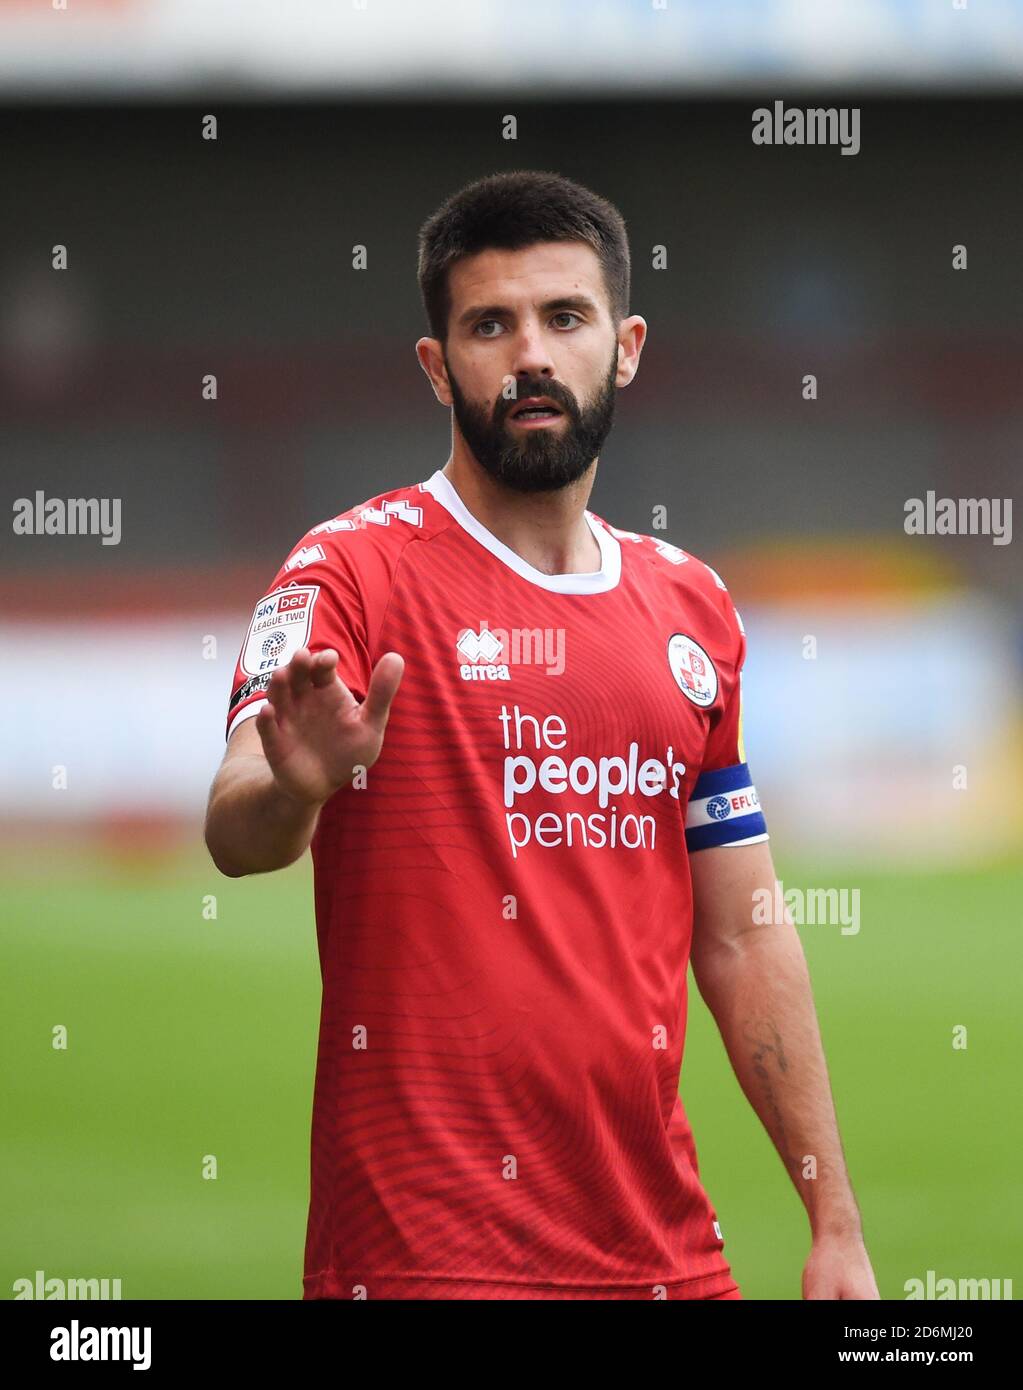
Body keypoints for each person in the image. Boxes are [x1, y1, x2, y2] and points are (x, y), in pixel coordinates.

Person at [204, 169, 879, 1301]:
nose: (530, 354)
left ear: (626, 346)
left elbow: (746, 936)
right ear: (437, 366)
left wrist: (835, 1223)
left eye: (565, 317)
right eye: (489, 324)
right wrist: (297, 788)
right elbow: (235, 829)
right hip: (426, 1261)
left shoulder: (691, 606)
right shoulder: (348, 571)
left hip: (667, 1258)